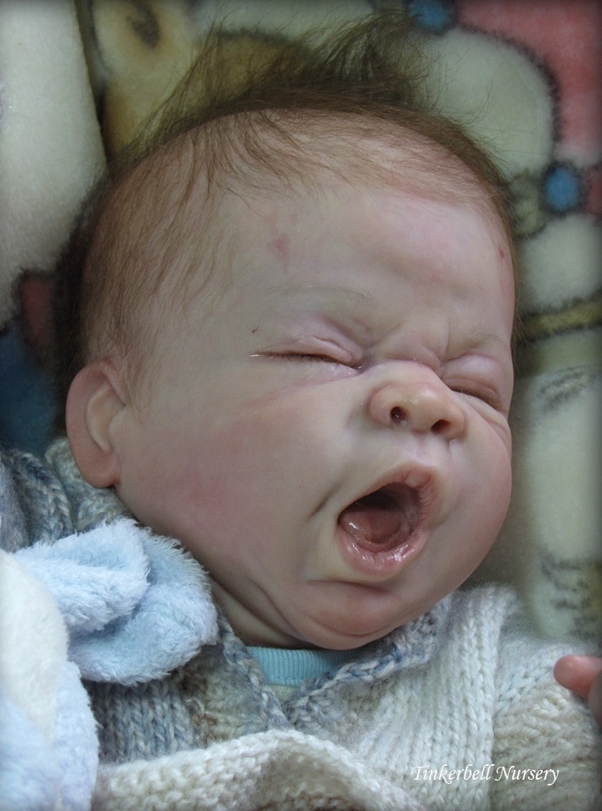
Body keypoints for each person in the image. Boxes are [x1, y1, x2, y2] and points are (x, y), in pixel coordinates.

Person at [4, 14, 601, 810]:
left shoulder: (491, 680)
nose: (428, 401)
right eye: (326, 355)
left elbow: (549, 779)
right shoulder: (43, 542)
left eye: (475, 385)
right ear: (112, 419)